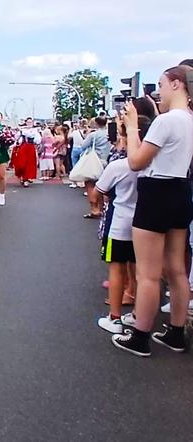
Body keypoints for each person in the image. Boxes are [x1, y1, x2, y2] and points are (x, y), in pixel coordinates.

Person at [112, 65, 193, 357]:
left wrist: (132, 127)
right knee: (177, 268)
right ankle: (175, 332)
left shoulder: (166, 121)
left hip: (156, 191)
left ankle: (140, 336)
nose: (157, 92)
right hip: (181, 190)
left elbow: (136, 161)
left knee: (147, 273)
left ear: (176, 84)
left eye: (161, 84)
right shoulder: (189, 120)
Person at [95, 156, 138, 333]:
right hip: (145, 222)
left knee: (116, 268)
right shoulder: (156, 164)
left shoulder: (118, 166)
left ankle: (115, 318)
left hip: (118, 223)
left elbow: (98, 190)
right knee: (142, 271)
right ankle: (138, 315)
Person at [80, 116, 112, 219]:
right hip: (106, 161)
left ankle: (94, 209)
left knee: (90, 184)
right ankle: (103, 207)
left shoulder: (93, 135)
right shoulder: (109, 134)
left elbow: (83, 146)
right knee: (103, 185)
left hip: (95, 161)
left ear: (96, 124)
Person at [14, 117, 41, 187]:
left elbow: (38, 140)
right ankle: (22, 176)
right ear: (25, 122)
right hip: (23, 147)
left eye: (30, 122)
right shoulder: (22, 130)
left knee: (29, 164)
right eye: (28, 122)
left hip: (31, 148)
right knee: (21, 164)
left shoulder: (35, 130)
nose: (29, 123)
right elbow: (16, 138)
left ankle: (26, 179)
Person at [0, 112, 11, 206]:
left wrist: (6, 140)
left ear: (1, 118)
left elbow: (11, 140)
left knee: (2, 175)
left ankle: (2, 194)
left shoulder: (5, 129)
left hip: (2, 152)